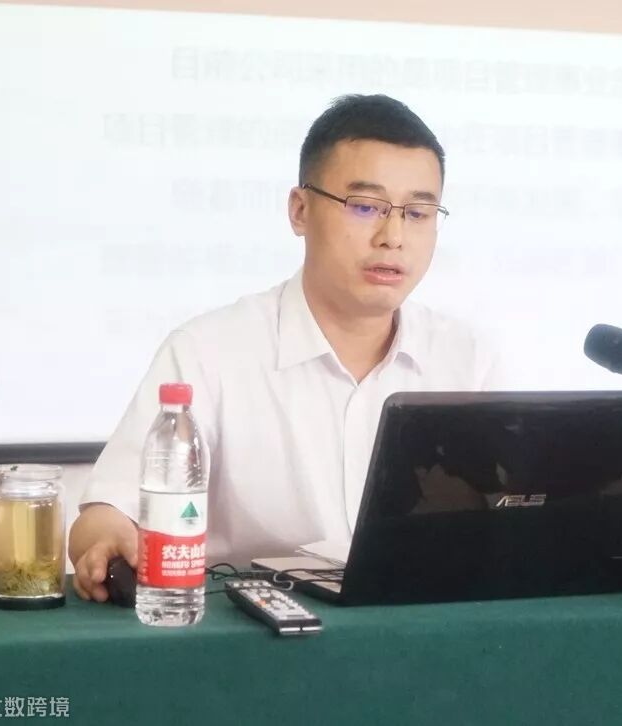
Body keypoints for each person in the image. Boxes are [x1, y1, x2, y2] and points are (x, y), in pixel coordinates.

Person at [69, 94, 501, 603]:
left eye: (419, 213)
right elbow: (106, 512)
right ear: (300, 210)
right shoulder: (209, 352)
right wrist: (106, 540)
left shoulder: (467, 359)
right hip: (255, 632)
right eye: (366, 207)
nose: (393, 236)